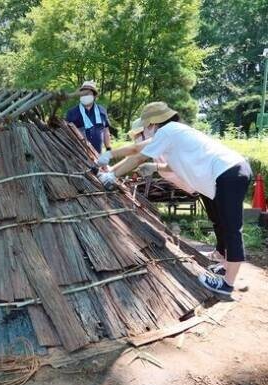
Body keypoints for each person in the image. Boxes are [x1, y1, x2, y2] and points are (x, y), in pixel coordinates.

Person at [96, 102, 252, 296]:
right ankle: (225, 266)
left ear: (152, 123)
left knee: (231, 227)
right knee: (222, 223)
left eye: (145, 125)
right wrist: (109, 156)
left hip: (228, 173)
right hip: (229, 172)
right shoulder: (173, 131)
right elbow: (136, 149)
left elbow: (138, 158)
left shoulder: (166, 132)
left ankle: (227, 284)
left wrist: (112, 176)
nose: (145, 129)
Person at [65, 81, 112, 153]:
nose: (85, 96)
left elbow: (106, 131)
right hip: (80, 156)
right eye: (83, 94)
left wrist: (108, 150)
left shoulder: (102, 111)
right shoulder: (72, 112)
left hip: (98, 155)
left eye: (88, 93)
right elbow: (67, 135)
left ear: (94, 95)